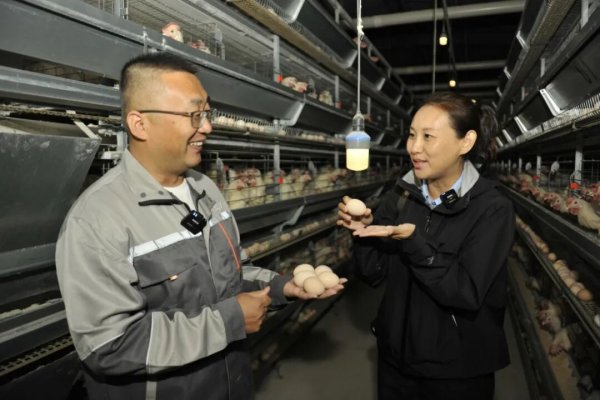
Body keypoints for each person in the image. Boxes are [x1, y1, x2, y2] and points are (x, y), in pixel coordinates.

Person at [55, 52, 345, 400]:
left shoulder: (205, 189)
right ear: (140, 124)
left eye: (207, 113)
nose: (207, 126)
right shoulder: (97, 219)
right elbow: (110, 346)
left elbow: (230, 275)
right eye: (194, 115)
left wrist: (281, 287)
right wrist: (229, 321)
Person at [337, 92, 514, 400]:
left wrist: (415, 244)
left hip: (455, 372)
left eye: (428, 137)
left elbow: (466, 292)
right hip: (396, 363)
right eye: (411, 135)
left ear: (466, 142)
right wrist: (362, 233)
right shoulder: (403, 195)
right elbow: (372, 273)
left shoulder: (492, 210)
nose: (414, 147)